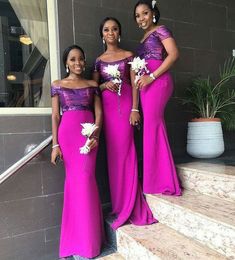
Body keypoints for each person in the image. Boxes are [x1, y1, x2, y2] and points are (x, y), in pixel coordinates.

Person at [93, 17, 156, 230]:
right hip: (108, 112)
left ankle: (131, 203)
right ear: (102, 34)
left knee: (127, 152)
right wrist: (103, 86)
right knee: (113, 157)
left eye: (114, 29)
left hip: (126, 106)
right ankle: (120, 204)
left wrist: (135, 109)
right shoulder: (98, 60)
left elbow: (136, 83)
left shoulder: (129, 55)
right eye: (106, 29)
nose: (110, 32)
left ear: (119, 32)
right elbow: (93, 88)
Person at [51, 45, 104, 259]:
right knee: (74, 184)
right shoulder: (57, 85)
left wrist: (95, 136)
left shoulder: (93, 85)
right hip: (67, 135)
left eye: (81, 59)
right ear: (66, 63)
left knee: (86, 180)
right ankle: (74, 241)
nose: (78, 63)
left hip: (88, 134)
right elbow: (55, 116)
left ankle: (90, 243)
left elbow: (99, 114)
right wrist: (55, 145)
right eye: (73, 59)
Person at [134, 0, 182, 195]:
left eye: (145, 13)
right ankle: (159, 178)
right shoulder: (143, 38)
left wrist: (152, 77)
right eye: (138, 16)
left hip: (158, 81)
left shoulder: (161, 30)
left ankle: (160, 182)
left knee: (152, 127)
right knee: (153, 127)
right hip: (146, 83)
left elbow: (174, 54)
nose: (141, 18)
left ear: (153, 13)